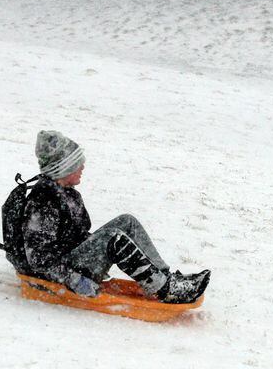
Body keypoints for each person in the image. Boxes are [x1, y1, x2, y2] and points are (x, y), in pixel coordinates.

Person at [20, 130, 210, 304]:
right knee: (113, 238)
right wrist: (75, 280)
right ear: (62, 168)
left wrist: (93, 247)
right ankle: (164, 290)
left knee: (127, 221)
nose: (83, 166)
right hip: (61, 273)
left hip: (72, 258)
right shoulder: (43, 203)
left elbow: (74, 235)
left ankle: (164, 277)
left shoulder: (67, 193)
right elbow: (38, 258)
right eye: (77, 163)